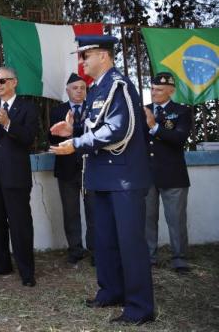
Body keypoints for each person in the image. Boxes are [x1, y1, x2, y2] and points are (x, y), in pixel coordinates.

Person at [50, 35, 154, 325]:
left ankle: (140, 307)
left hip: (124, 177)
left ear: (104, 57)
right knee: (105, 240)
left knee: (130, 243)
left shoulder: (119, 85)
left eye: (87, 56)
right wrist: (72, 128)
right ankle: (111, 291)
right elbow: (96, 125)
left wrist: (77, 143)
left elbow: (118, 129)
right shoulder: (97, 89)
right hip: (103, 176)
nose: (82, 62)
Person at [0, 66, 38, 287]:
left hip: (16, 176)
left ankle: (26, 271)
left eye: (2, 81)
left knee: (20, 224)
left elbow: (29, 137)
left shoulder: (27, 107)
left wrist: (8, 124)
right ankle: (1, 264)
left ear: (14, 82)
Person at [144, 72, 192, 274]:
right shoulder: (143, 111)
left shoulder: (181, 111)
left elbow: (179, 139)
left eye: (160, 90)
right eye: (153, 88)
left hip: (173, 175)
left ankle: (179, 258)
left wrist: (154, 127)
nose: (155, 93)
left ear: (171, 91)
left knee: (176, 219)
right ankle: (149, 257)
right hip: (147, 175)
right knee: (147, 218)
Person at [48, 73, 95, 265]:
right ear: (67, 91)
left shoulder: (93, 108)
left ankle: (96, 250)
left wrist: (75, 129)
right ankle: (75, 250)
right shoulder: (58, 111)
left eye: (82, 88)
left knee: (94, 211)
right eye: (75, 88)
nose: (79, 91)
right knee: (70, 211)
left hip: (90, 168)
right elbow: (51, 138)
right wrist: (66, 129)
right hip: (67, 170)